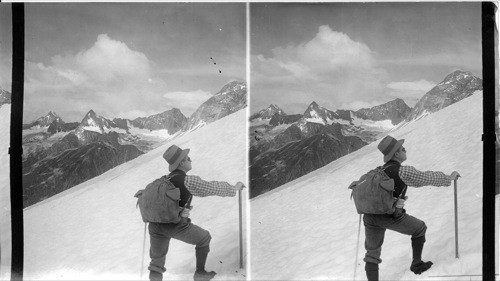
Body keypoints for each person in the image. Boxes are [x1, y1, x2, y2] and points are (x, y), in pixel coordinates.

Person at [363, 135, 460, 281]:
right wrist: (449, 178)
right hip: (389, 215)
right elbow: (427, 178)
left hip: (370, 216)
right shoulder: (403, 171)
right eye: (402, 148)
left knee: (372, 253)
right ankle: (417, 264)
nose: (405, 149)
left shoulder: (379, 171)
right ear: (396, 154)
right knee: (419, 228)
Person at [148, 144, 245, 281]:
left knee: (156, 264)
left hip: (155, 225)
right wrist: (234, 188)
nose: (190, 160)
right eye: (188, 158)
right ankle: (200, 274)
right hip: (175, 225)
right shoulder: (188, 180)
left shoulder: (163, 180)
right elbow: (212, 188)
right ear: (181, 163)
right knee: (204, 238)